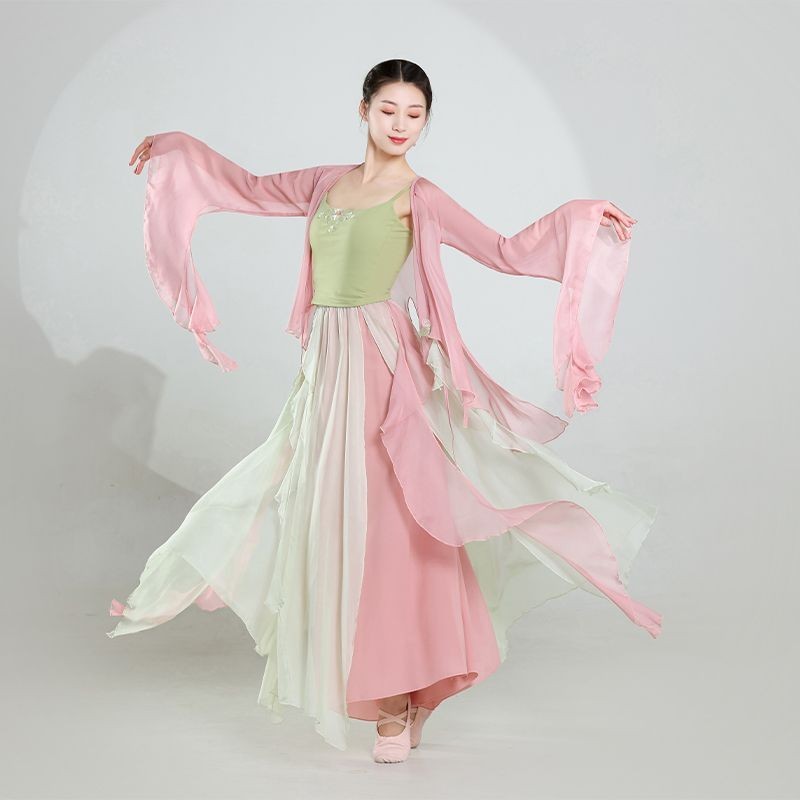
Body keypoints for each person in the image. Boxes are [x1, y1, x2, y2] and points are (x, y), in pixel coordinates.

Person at [109, 58, 659, 764]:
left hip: (386, 367)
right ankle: (403, 687)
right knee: (338, 517)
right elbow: (244, 187)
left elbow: (503, 250)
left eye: (415, 115)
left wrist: (582, 219)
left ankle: (398, 700)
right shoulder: (322, 184)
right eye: (389, 110)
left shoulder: (420, 197)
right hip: (328, 369)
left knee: (398, 522)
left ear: (425, 123)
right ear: (363, 110)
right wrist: (177, 148)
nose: (401, 125)